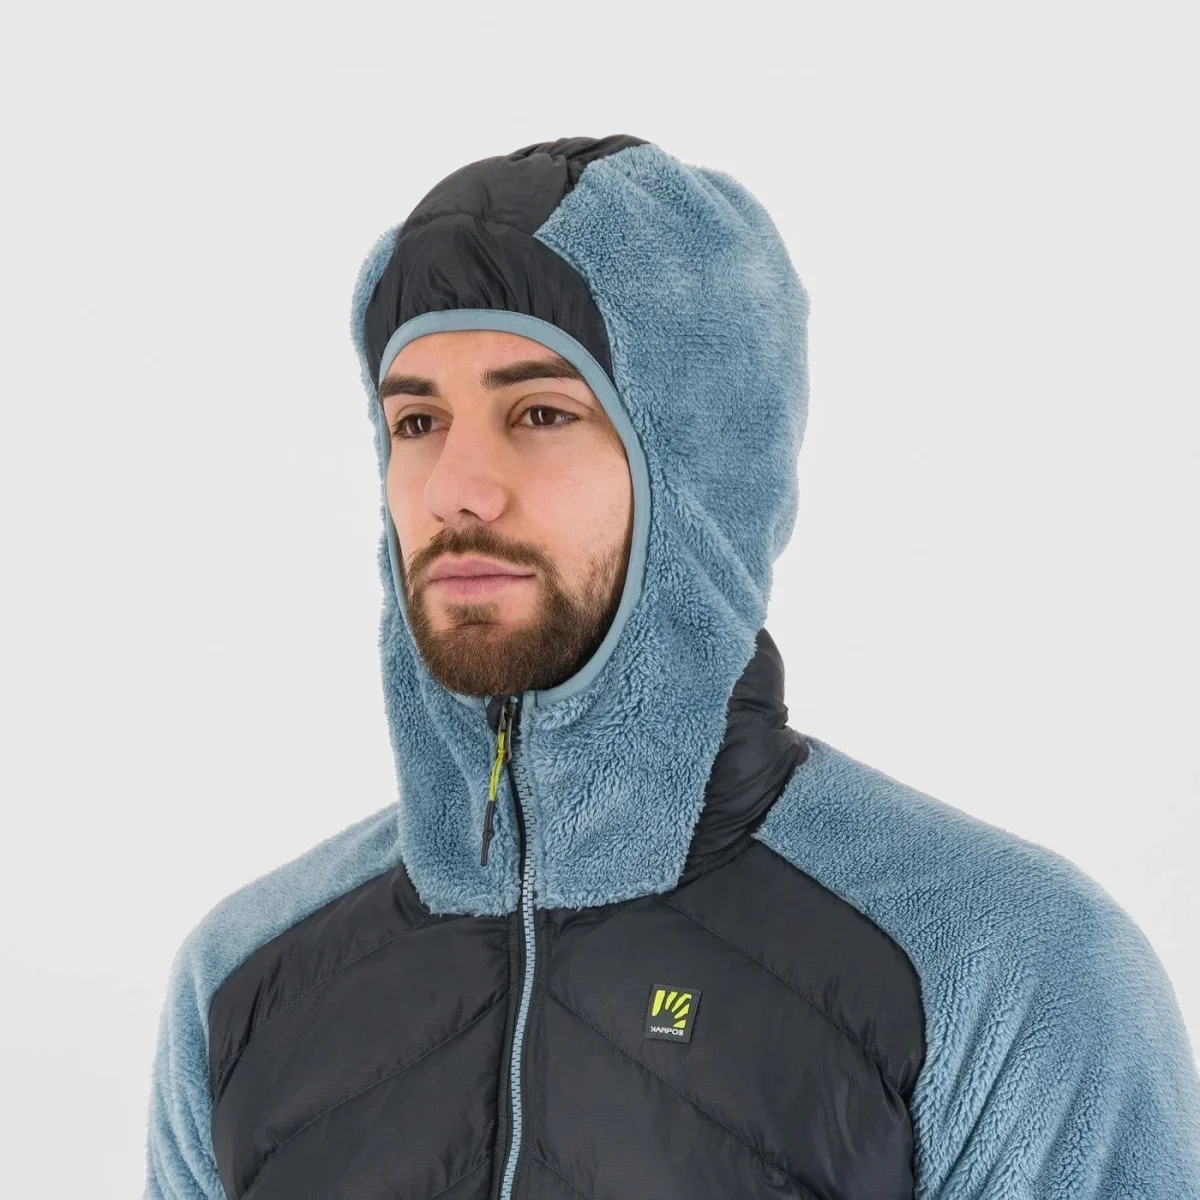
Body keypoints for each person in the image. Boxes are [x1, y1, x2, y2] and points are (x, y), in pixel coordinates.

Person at [142, 135, 1200, 1200]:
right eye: (417, 420)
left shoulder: (1002, 968)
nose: (455, 487)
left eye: (540, 413)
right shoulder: (241, 990)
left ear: (697, 465)